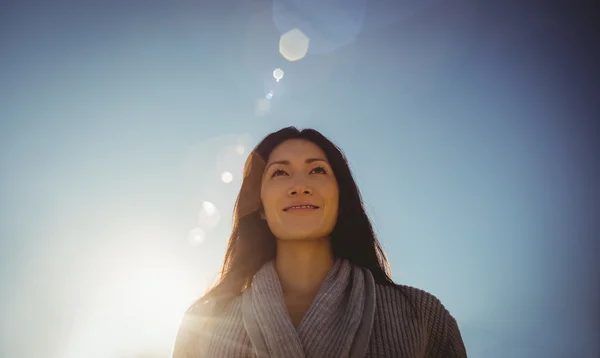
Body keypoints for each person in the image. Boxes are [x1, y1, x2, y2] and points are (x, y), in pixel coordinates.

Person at [172, 127, 467, 357]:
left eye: (317, 170)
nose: (300, 186)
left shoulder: (423, 316)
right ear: (259, 205)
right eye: (279, 173)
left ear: (340, 197)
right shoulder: (203, 324)